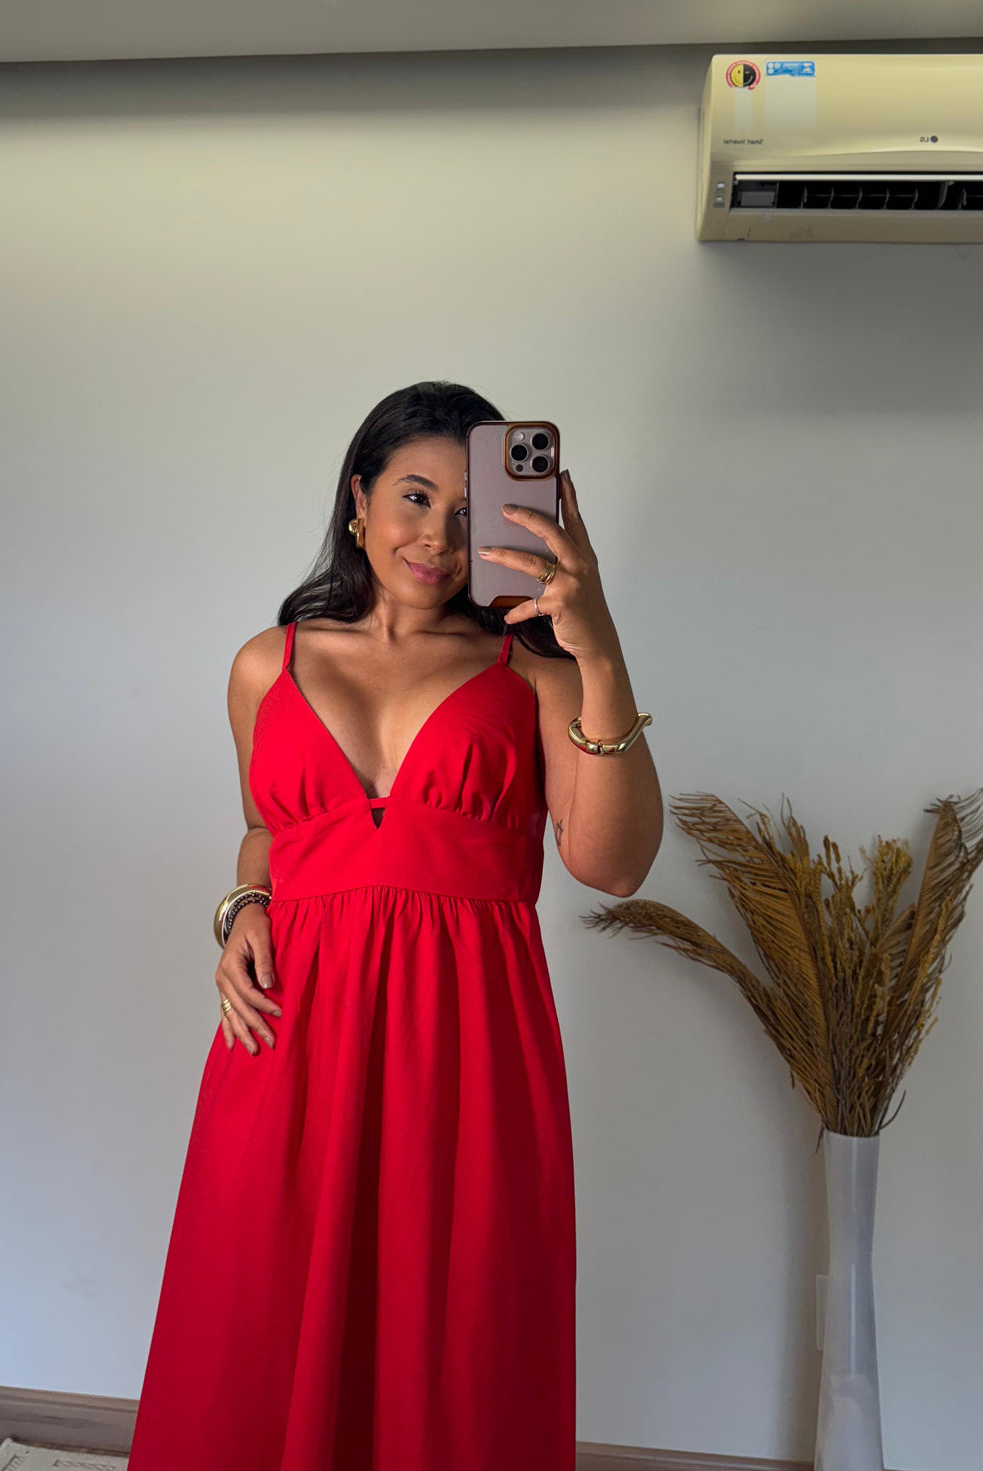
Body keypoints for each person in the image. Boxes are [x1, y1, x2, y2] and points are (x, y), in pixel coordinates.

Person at [127, 380, 663, 1471]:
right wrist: (242, 907)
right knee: (253, 1317)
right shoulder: (267, 663)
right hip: (286, 1038)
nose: (438, 537)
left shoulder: (535, 674)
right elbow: (270, 831)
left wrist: (600, 648)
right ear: (359, 496)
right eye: (416, 496)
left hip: (465, 1050)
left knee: (450, 1339)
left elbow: (613, 865)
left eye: (473, 513)